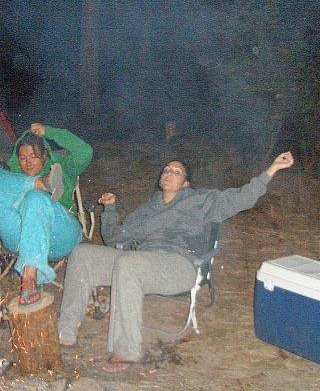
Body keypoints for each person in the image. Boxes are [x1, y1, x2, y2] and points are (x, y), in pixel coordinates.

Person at [58, 152, 294, 373]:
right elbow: (115, 239)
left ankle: (127, 350)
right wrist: (109, 210)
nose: (169, 172)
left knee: (129, 263)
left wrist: (272, 169)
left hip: (179, 265)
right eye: (166, 169)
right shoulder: (146, 210)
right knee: (82, 254)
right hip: (140, 262)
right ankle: (65, 332)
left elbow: (242, 197)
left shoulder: (200, 200)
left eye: (176, 171)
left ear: (186, 183)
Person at [0, 122, 92, 306]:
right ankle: (38, 184)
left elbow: (85, 152)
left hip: (61, 234)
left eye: (33, 156)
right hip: (21, 239)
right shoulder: (13, 175)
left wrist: (50, 131)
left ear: (45, 154)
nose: (28, 162)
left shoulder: (61, 165)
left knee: (35, 199)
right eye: (23, 158)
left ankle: (29, 279)